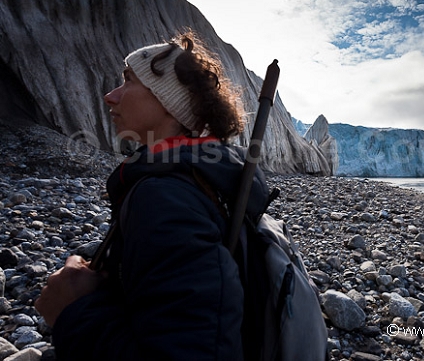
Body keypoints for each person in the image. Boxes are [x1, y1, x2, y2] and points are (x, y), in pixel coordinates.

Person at [35, 31, 270, 360]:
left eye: (129, 80)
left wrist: (73, 311)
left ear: (169, 103)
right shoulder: (202, 177)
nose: (110, 96)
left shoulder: (166, 197)